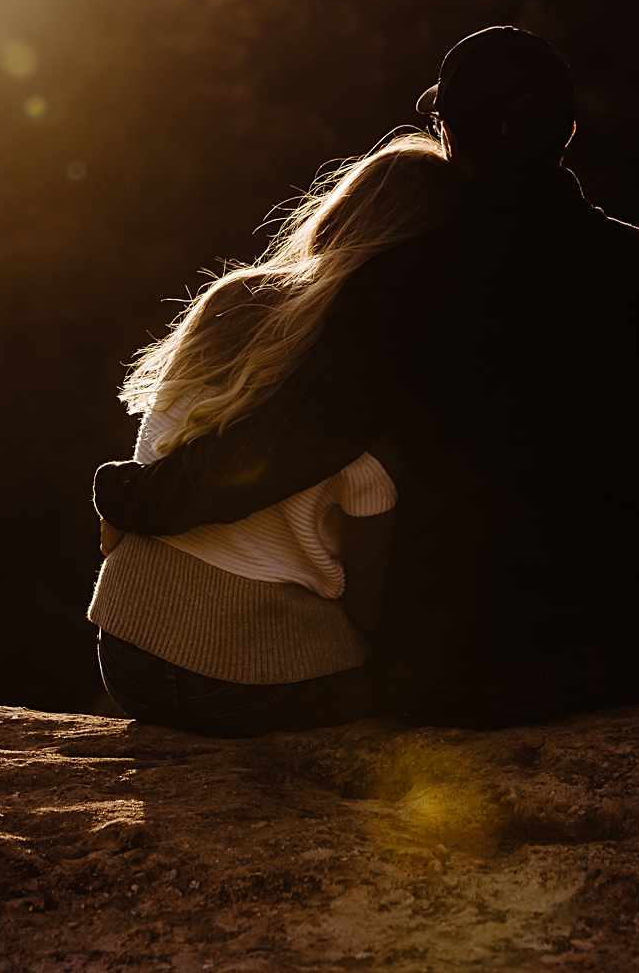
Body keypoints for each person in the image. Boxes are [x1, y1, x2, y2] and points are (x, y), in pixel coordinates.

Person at [94, 26, 639, 730]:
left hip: (454, 675)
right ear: (565, 132)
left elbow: (281, 449)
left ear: (451, 136)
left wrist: (127, 494)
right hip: (630, 645)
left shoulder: (392, 285)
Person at [88, 130, 464, 737]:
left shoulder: (232, 299)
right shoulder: (377, 366)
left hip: (127, 649)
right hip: (249, 682)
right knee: (416, 684)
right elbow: (368, 606)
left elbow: (155, 448)